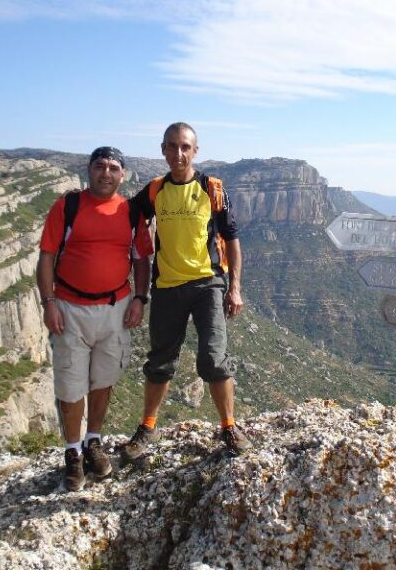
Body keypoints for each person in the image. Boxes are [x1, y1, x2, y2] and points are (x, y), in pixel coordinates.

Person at [123, 122, 252, 459]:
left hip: (208, 284)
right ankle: (147, 426)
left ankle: (228, 426)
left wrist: (234, 288)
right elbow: (123, 216)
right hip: (166, 287)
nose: (178, 154)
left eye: (185, 147)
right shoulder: (154, 191)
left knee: (213, 359)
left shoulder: (212, 189)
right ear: (163, 150)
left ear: (195, 151)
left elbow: (233, 240)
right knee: (160, 361)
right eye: (172, 147)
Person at [36, 146, 153, 491]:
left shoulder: (131, 213)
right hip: (70, 309)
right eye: (100, 166)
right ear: (88, 170)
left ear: (123, 175)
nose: (106, 173)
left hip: (116, 309)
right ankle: (72, 454)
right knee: (71, 386)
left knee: (103, 380)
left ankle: (93, 442)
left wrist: (139, 299)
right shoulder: (67, 206)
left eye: (113, 167)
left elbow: (142, 260)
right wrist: (49, 302)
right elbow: (46, 257)